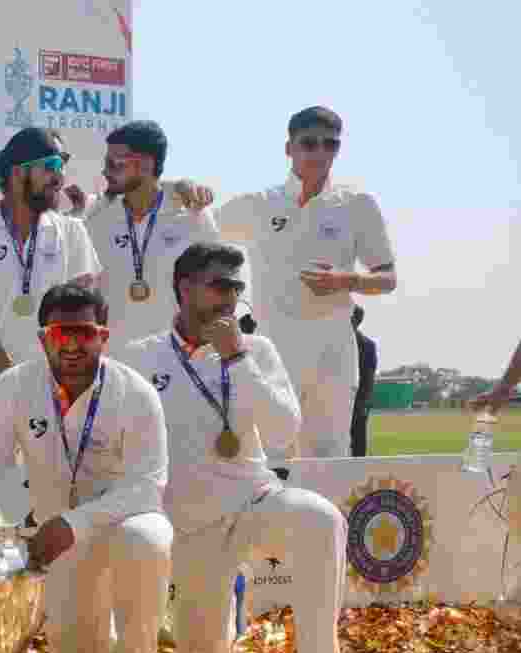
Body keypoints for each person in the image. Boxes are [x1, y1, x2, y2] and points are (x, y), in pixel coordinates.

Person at [115, 242, 353, 653]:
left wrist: (236, 359)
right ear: (185, 288)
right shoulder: (138, 358)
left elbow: (286, 432)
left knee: (320, 518)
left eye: (237, 287)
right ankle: (229, 597)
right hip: (183, 527)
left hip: (252, 502)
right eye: (219, 285)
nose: (230, 297)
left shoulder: (257, 351)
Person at [0, 284, 172, 653]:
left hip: (117, 529)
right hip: (51, 542)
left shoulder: (135, 392)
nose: (71, 344)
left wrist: (74, 524)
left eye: (83, 332)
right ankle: (101, 635)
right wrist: (17, 524)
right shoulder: (13, 386)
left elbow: (148, 487)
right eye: (60, 332)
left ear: (104, 336)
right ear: (43, 337)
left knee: (149, 536)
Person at [218, 106, 396, 458]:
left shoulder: (357, 204)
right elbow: (198, 225)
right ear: (289, 148)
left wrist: (346, 280)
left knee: (330, 450)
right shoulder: (258, 204)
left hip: (333, 343)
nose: (320, 153)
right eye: (309, 143)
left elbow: (387, 278)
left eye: (330, 145)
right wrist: (182, 190)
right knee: (271, 449)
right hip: (274, 341)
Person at [0, 127, 101, 456]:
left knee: (52, 499)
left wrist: (57, 375)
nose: (59, 177)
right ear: (18, 172)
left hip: (56, 388)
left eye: (63, 166)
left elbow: (83, 314)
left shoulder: (72, 232)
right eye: (51, 166)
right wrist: (12, 373)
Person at [85, 121, 223, 345]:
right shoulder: (97, 220)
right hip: (117, 361)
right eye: (106, 162)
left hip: (179, 360)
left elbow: (216, 290)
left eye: (115, 163)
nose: (106, 171)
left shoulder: (193, 215)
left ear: (145, 164)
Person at [351, 305, 376, 457]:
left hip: (356, 401)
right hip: (359, 401)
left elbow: (368, 377)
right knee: (358, 441)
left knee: (357, 441)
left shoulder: (365, 344)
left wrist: (363, 402)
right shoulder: (368, 344)